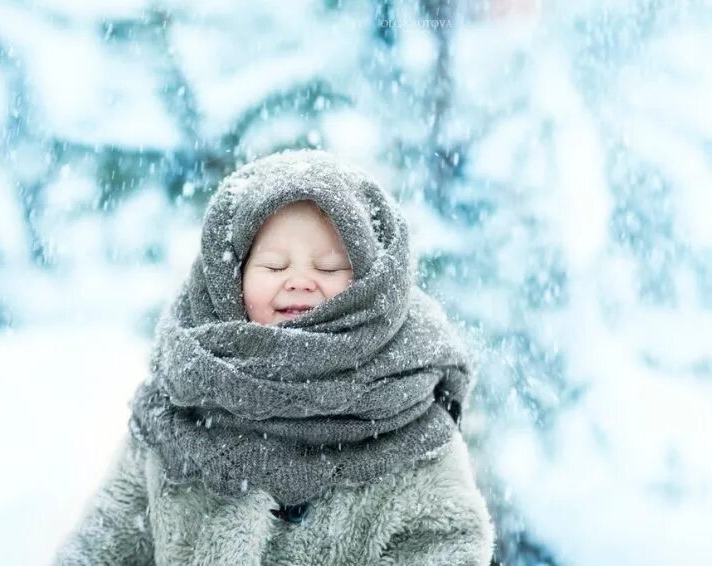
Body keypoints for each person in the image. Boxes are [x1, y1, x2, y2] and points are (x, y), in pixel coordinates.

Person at [53, 149, 495, 565]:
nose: (300, 281)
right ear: (230, 278)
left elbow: (447, 543)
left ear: (369, 288)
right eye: (274, 266)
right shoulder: (181, 399)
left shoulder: (406, 407)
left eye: (327, 267)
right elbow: (106, 539)